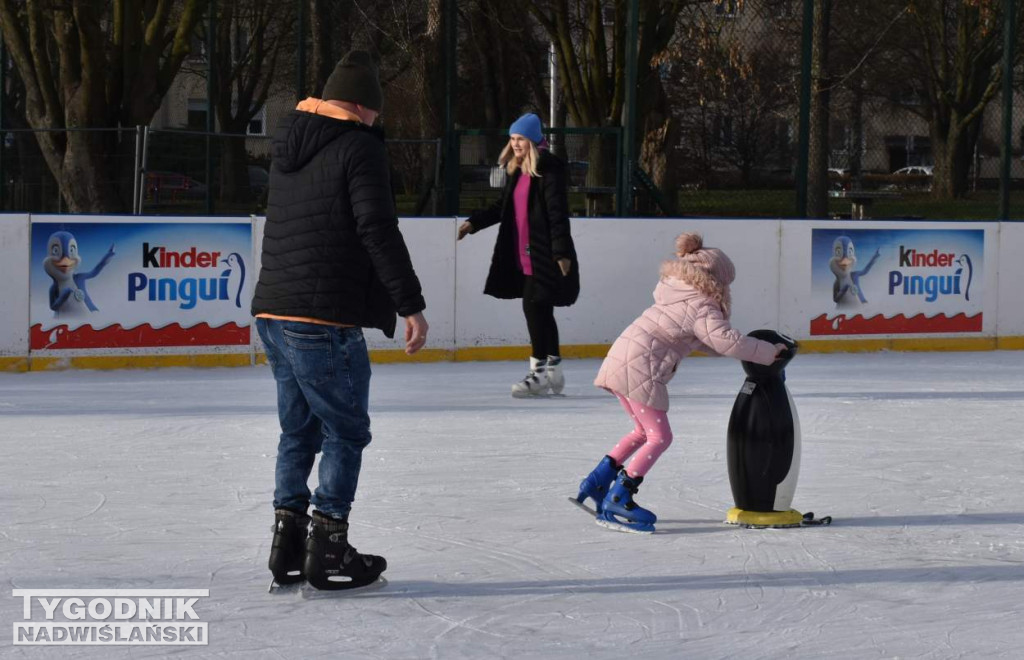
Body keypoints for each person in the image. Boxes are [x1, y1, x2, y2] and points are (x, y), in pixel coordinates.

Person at [251, 50, 429, 590]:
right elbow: (377, 228)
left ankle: (287, 542)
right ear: (359, 105)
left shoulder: (289, 146)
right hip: (322, 315)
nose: (380, 122)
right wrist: (409, 303)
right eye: (376, 112)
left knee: (297, 430)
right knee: (345, 430)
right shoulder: (358, 146)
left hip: (273, 310)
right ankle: (328, 547)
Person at [573, 232, 785, 533]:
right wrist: (767, 353)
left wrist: (740, 349)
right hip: (639, 368)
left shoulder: (678, 292)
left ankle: (596, 483)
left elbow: (705, 340)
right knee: (659, 437)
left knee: (641, 432)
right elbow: (723, 340)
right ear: (717, 280)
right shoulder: (702, 303)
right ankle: (619, 497)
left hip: (623, 359)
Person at [457, 112, 580, 397]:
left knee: (534, 307)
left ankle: (538, 374)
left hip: (545, 253)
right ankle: (554, 371)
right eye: (512, 139)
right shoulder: (518, 171)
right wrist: (474, 223)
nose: (515, 144)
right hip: (522, 253)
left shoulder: (547, 171)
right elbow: (504, 207)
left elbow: (557, 213)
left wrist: (561, 251)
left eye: (520, 139)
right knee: (541, 309)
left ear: (533, 140)